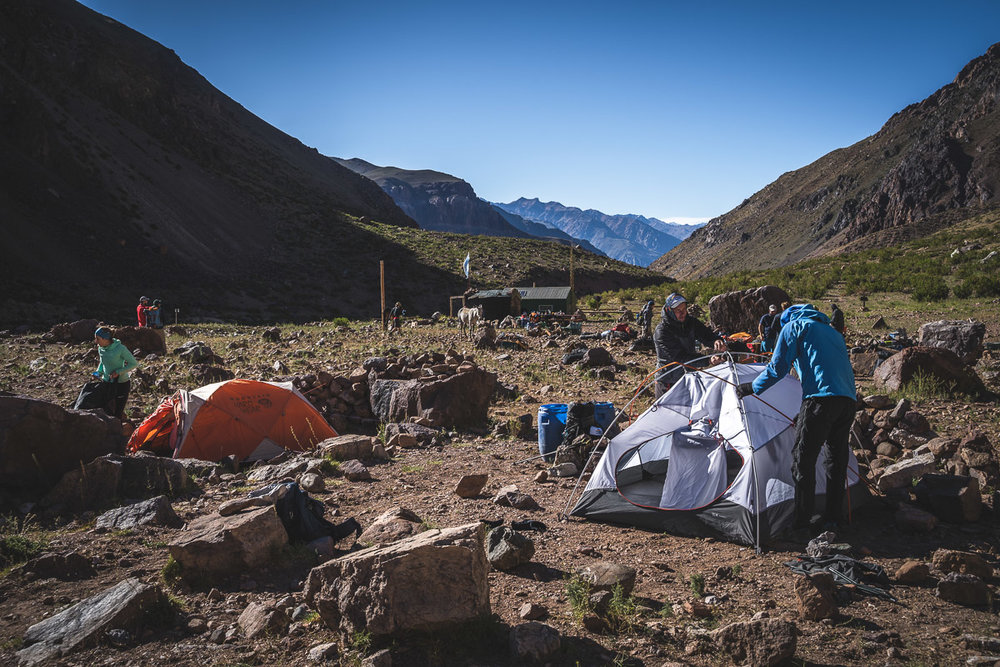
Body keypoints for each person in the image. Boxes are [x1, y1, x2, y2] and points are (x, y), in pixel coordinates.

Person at [736, 304, 856, 534]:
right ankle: (833, 518)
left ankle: (802, 523)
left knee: (803, 460)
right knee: (836, 459)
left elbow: (777, 368)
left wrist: (751, 387)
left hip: (820, 399)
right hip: (848, 401)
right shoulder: (831, 331)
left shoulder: (794, 326)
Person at [653, 293, 727, 397]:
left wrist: (715, 341)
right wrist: (708, 360)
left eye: (684, 309)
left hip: (688, 376)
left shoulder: (690, 322)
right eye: (678, 310)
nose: (683, 313)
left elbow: (706, 335)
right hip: (668, 380)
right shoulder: (662, 331)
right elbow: (680, 357)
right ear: (669, 310)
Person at [93, 326, 138, 420]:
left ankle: (118, 431)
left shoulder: (120, 349)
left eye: (98, 339)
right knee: (105, 409)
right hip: (106, 382)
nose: (96, 341)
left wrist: (118, 372)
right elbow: (102, 362)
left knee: (117, 412)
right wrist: (98, 372)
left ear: (105, 339)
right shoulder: (101, 348)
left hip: (121, 383)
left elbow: (134, 363)